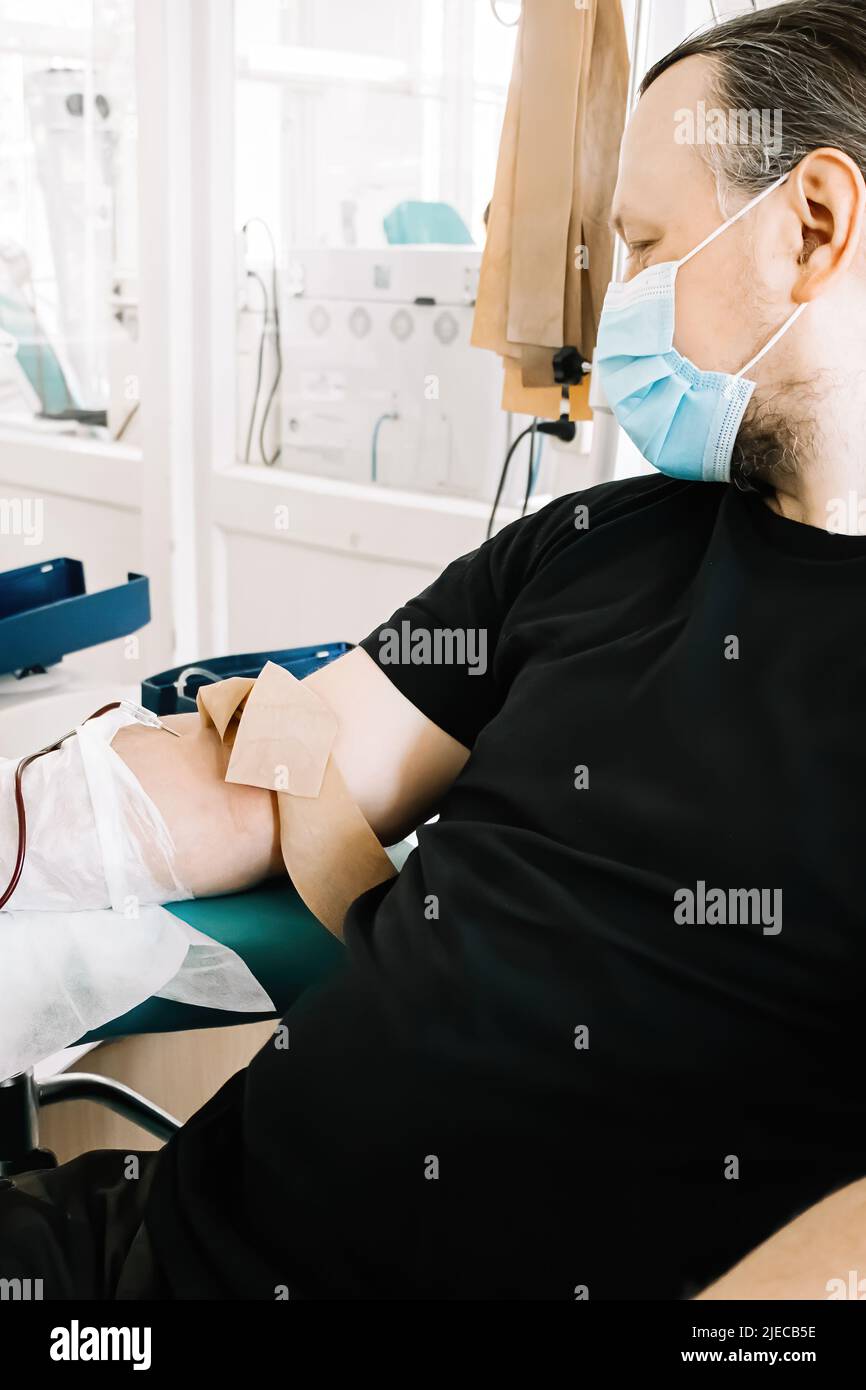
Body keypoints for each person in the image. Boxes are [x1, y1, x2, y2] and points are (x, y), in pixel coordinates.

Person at [3, 0, 866, 1299]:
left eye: (642, 245)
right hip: (146, 1249)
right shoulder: (591, 542)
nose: (615, 302)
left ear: (809, 227)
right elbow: (279, 762)